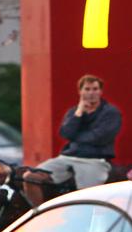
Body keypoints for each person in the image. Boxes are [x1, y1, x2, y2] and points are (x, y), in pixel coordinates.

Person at [28, 74, 120, 202]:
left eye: (95, 89)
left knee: (88, 198)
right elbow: (65, 133)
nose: (91, 93)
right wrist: (78, 113)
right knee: (30, 177)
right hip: (68, 157)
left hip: (94, 160)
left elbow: (100, 137)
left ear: (101, 91)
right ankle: (38, 214)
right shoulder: (74, 111)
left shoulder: (111, 112)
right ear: (80, 91)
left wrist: (75, 137)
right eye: (87, 89)